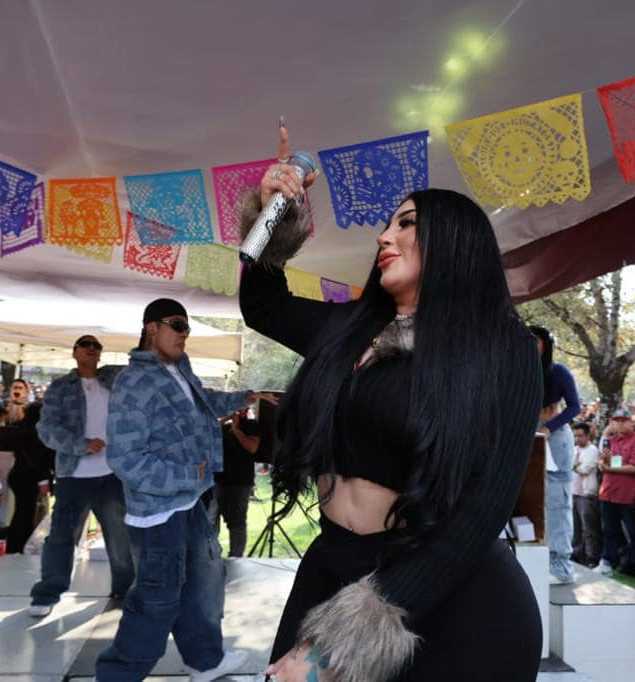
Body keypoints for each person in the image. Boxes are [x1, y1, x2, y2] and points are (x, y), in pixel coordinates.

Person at [238, 127, 543, 682]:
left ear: (454, 240)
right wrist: (275, 211)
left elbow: (484, 510)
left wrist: (337, 648)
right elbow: (262, 303)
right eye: (386, 224)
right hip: (334, 568)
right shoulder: (348, 328)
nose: (383, 236)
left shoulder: (503, 349)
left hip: (445, 598)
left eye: (406, 223)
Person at [96, 298, 274, 682]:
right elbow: (126, 459)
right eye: (177, 325)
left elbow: (205, 402)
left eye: (187, 327)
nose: (185, 334)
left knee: (200, 587)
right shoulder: (134, 383)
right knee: (156, 602)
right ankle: (116, 675)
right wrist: (186, 475)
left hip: (189, 502)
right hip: (158, 515)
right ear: (152, 328)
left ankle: (204, 661)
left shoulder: (178, 369)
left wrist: (248, 396)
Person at [30, 335, 134, 617]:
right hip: (74, 475)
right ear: (74, 352)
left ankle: (126, 591)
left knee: (121, 537)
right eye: (85, 345)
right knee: (61, 537)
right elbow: (46, 429)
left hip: (112, 474)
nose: (91, 349)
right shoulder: (60, 387)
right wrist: (81, 444)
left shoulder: (113, 379)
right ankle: (47, 593)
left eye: (96, 346)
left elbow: (140, 364)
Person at [529, 325, 581, 584]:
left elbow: (574, 407)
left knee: (558, 499)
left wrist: (549, 427)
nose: (530, 345)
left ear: (545, 344)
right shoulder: (519, 371)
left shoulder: (558, 371)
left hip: (555, 436)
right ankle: (536, 557)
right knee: (530, 496)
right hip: (528, 435)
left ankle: (561, 566)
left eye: (535, 341)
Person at [0, 396, 54, 553]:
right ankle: (19, 545)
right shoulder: (37, 433)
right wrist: (43, 480)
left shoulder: (21, 428)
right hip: (29, 477)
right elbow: (39, 459)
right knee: (25, 513)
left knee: (22, 511)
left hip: (18, 475)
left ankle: (16, 545)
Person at [208, 409, 261, 557]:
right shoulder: (221, 425)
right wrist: (226, 419)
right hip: (216, 479)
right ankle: (211, 556)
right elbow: (207, 431)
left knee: (236, 522)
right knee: (210, 520)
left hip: (240, 481)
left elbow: (252, 447)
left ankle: (235, 557)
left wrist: (237, 430)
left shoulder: (251, 425)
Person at [596, 408, 635, 576]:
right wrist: (602, 463)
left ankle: (630, 565)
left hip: (628, 495)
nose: (619, 424)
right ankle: (608, 562)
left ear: (631, 422)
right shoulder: (611, 441)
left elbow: (633, 467)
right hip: (608, 492)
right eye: (616, 420)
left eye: (623, 420)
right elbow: (604, 461)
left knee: (632, 531)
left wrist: (609, 467)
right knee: (609, 530)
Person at [571, 422, 601, 568]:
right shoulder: (574, 449)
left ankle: (592, 557)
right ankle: (577, 555)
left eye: (580, 436)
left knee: (589, 529)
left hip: (587, 494)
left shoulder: (593, 450)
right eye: (575, 436)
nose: (577, 439)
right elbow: (572, 466)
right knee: (576, 528)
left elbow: (584, 469)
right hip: (574, 492)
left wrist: (574, 465)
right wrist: (575, 465)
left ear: (588, 436)